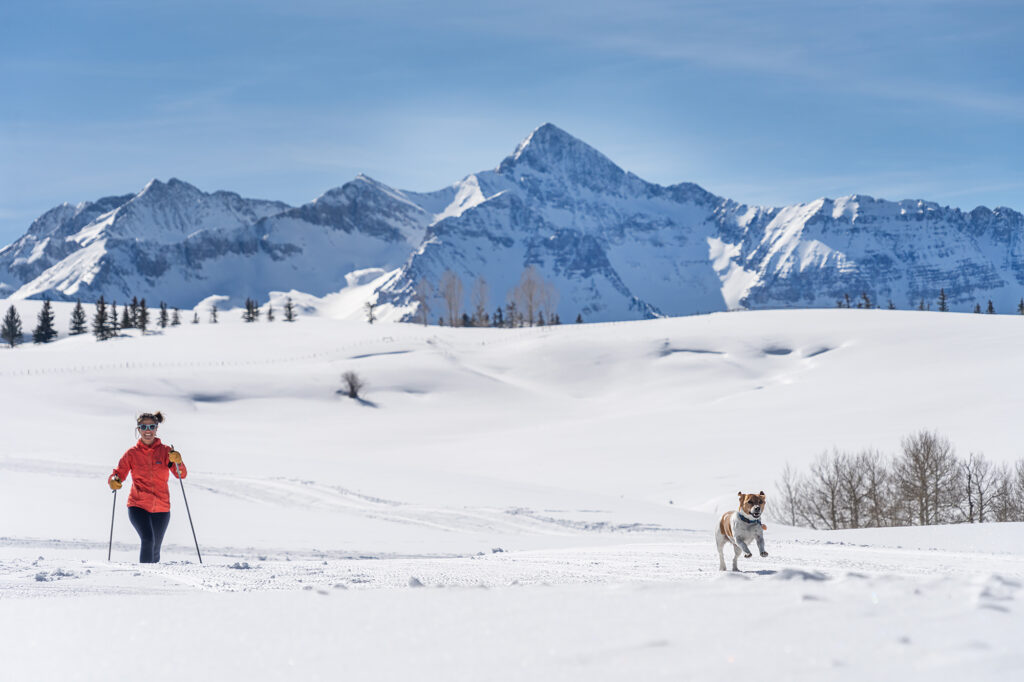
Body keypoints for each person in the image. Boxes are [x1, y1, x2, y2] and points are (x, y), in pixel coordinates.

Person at [107, 411, 187, 563]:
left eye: (151, 426)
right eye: (143, 427)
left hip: (162, 509)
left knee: (155, 548)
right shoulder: (132, 454)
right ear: (138, 429)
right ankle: (144, 579)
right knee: (148, 539)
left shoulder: (166, 452)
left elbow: (181, 475)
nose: (147, 430)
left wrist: (178, 462)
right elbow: (118, 474)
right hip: (138, 506)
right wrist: (114, 480)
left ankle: (153, 581)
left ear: (156, 428)